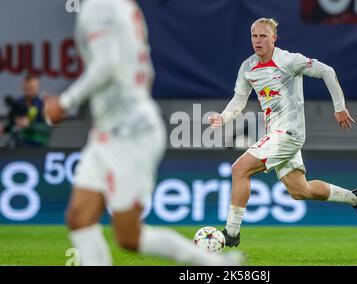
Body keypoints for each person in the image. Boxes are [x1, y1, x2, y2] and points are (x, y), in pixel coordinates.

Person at [44, 0, 242, 266]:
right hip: (109, 130)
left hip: (131, 134)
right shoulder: (126, 7)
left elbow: (106, 66)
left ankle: (217, 264)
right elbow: (143, 70)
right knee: (79, 217)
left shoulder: (98, 7)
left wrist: (64, 103)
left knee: (129, 236)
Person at [208, 18, 357, 247]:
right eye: (254, 36)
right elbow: (239, 99)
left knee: (239, 169)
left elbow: (327, 71)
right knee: (300, 190)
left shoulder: (288, 61)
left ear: (274, 38)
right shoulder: (248, 67)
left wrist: (339, 107)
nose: (258, 40)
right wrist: (223, 117)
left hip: (289, 133)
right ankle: (356, 198)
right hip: (275, 133)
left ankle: (232, 233)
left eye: (263, 36)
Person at [2, 74, 51, 147]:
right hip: (17, 145)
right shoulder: (17, 103)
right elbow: (12, 125)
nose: (29, 90)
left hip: (38, 146)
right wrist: (4, 129)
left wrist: (29, 125)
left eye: (31, 87)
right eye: (27, 87)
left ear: (37, 87)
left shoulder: (43, 104)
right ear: (23, 86)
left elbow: (46, 129)